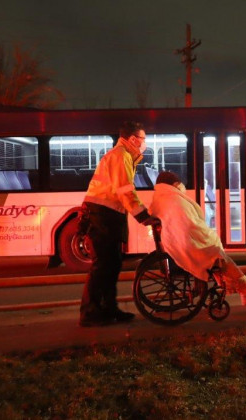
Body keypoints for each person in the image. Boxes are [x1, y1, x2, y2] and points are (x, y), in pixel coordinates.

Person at [149, 171, 246, 307]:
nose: (181, 187)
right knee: (220, 258)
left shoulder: (160, 198)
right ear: (174, 185)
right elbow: (191, 226)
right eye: (178, 184)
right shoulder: (174, 200)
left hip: (178, 245)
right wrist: (210, 237)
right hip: (188, 247)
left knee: (219, 256)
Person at [79, 121, 159, 327]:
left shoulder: (124, 156)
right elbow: (125, 191)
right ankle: (90, 313)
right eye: (143, 139)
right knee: (103, 265)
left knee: (112, 264)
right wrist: (143, 216)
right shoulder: (120, 156)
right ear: (133, 139)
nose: (145, 143)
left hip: (109, 216)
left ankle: (109, 309)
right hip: (102, 216)